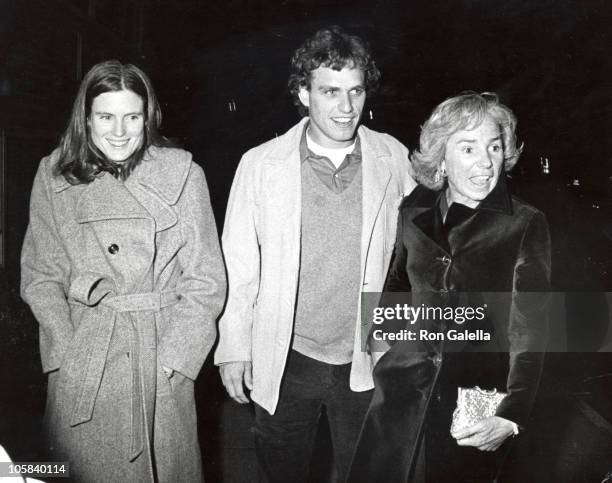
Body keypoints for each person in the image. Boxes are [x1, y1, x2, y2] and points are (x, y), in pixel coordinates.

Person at [214, 26, 416, 482]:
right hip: (287, 354)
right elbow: (239, 266)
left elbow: (416, 258)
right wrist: (233, 347)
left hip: (368, 355)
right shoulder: (261, 164)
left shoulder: (394, 158)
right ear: (304, 93)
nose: (346, 108)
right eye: (330, 91)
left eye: (356, 91)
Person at [21, 60, 226, 482]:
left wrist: (177, 360)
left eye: (132, 117)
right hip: (87, 360)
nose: (119, 131)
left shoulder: (184, 174)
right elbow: (41, 276)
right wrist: (63, 353)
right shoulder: (55, 175)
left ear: (147, 117)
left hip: (158, 360)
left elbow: (206, 279)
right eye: (106, 117)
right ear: (86, 118)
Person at [348, 92, 551, 482]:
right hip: (402, 392)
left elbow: (533, 329)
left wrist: (511, 416)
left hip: (476, 404)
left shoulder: (524, 223)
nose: (486, 162)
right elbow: (398, 285)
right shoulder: (413, 209)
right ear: (441, 158)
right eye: (468, 148)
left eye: (494, 147)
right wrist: (379, 347)